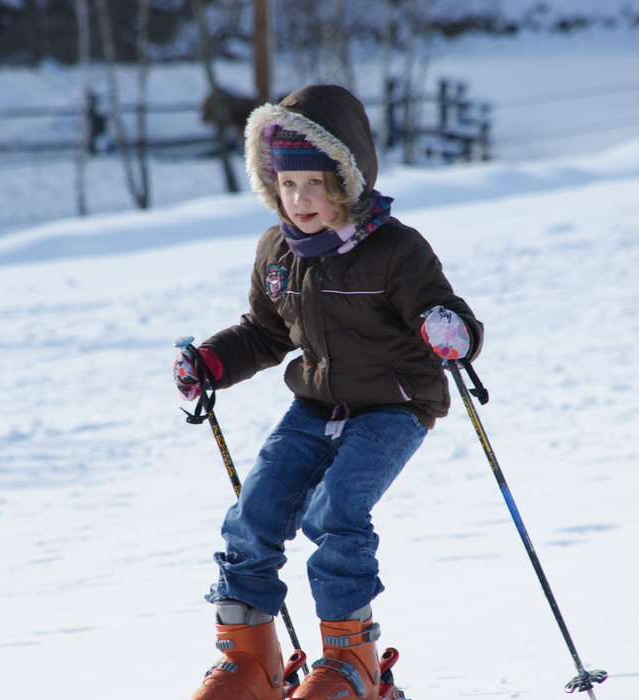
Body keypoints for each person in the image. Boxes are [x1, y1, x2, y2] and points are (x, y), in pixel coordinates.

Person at [173, 84, 482, 700]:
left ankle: (351, 662)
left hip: (394, 405)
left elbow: (443, 310)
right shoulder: (277, 252)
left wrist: (449, 331)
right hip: (315, 404)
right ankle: (250, 662)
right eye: (287, 185)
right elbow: (264, 331)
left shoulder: (396, 248)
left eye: (315, 183)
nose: (300, 199)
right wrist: (212, 360)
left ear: (348, 179)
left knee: (335, 512)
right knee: (253, 515)